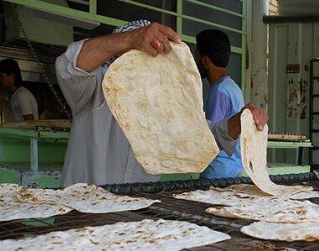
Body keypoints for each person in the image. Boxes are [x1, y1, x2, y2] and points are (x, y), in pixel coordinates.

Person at [55, 20, 268, 187]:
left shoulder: (165, 103)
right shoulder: (95, 87)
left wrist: (239, 121)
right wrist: (131, 39)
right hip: (81, 213)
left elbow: (202, 135)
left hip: (132, 219)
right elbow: (69, 65)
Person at [195, 29, 244, 179]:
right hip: (234, 168)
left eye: (196, 55)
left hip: (218, 173)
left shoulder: (219, 91)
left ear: (205, 60)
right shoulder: (232, 87)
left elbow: (212, 138)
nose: (194, 61)